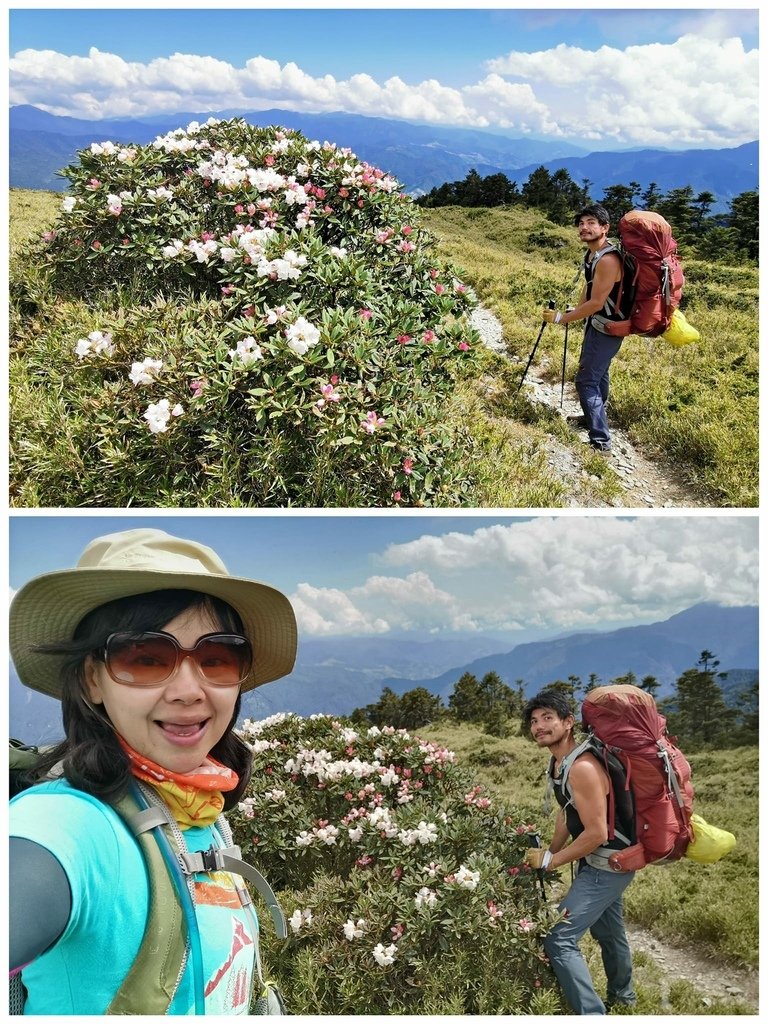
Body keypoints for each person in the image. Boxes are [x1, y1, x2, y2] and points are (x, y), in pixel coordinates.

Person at [9, 527, 297, 1015]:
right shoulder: (67, 825)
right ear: (92, 679)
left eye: (216, 657)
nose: (189, 690)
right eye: (145, 658)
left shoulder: (200, 809)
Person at [522, 690, 636, 1015]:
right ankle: (623, 998)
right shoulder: (560, 762)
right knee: (609, 931)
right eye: (534, 720)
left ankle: (592, 1015)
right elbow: (567, 812)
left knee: (558, 938)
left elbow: (597, 831)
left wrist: (553, 860)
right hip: (601, 861)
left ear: (568, 723)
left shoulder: (581, 767)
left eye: (548, 718)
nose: (539, 726)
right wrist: (551, 850)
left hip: (607, 865)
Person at [540, 204, 624, 453]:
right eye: (581, 223)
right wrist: (574, 311)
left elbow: (597, 302)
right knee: (600, 374)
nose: (584, 228)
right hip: (597, 323)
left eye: (591, 222)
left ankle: (601, 441)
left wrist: (561, 319)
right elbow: (589, 287)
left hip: (608, 327)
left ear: (605, 228)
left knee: (586, 380)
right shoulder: (592, 255)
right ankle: (592, 418)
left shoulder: (608, 260)